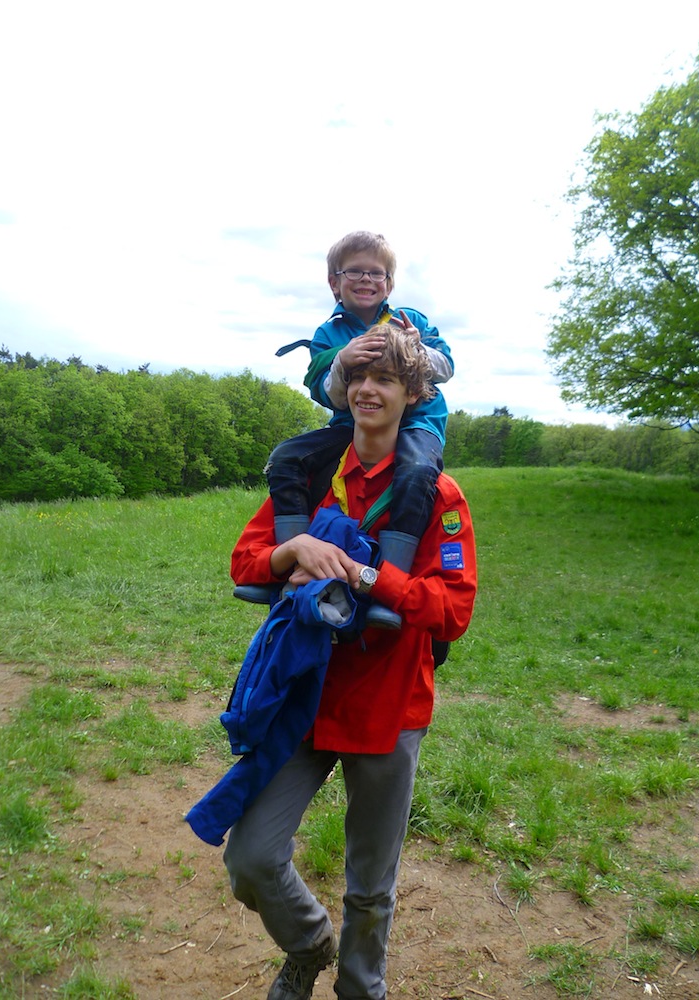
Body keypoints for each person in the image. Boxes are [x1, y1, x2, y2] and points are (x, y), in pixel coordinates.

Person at [223, 327, 477, 1000]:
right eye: (358, 377)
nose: (368, 389)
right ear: (342, 389)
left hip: (389, 707)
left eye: (386, 379)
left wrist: (370, 577)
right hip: (304, 695)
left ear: (411, 394)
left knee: (370, 887)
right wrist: (293, 551)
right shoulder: (309, 477)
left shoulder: (438, 495)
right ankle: (307, 946)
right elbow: (245, 561)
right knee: (250, 859)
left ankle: (361, 991)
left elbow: (452, 611)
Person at [235, 231, 454, 630]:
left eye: (377, 272)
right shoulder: (328, 335)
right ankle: (287, 564)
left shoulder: (413, 320)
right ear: (334, 283)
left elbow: (447, 368)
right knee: (287, 457)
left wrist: (415, 347)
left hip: (418, 425)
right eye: (354, 271)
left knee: (417, 472)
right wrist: (342, 359)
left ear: (389, 283)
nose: (367, 279)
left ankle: (386, 590)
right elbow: (325, 392)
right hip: (352, 427)